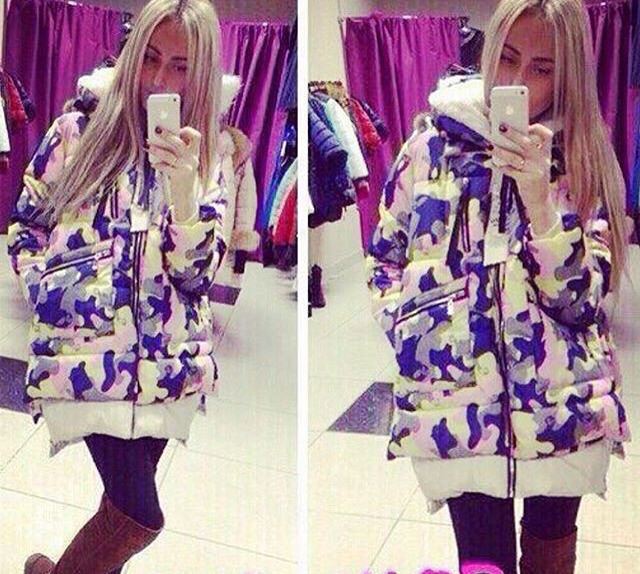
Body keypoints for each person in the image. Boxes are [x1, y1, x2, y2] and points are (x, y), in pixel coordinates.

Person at [366, 1, 631, 573]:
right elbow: (384, 257)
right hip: (457, 402)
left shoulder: (585, 157)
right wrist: (412, 334)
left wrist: (541, 202)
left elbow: (584, 303)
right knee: (482, 562)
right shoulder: (427, 150)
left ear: (568, 75)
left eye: (542, 68)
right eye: (507, 58)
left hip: (561, 404)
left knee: (550, 557)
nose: (516, 81)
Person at [7, 0, 227, 572]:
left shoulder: (207, 155)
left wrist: (185, 193)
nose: (159, 79)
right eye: (150, 57)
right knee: (137, 515)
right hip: (86, 357)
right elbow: (27, 225)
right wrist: (51, 292)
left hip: (167, 365)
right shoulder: (76, 132)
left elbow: (198, 277)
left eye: (180, 66)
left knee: (118, 517)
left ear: (201, 73)